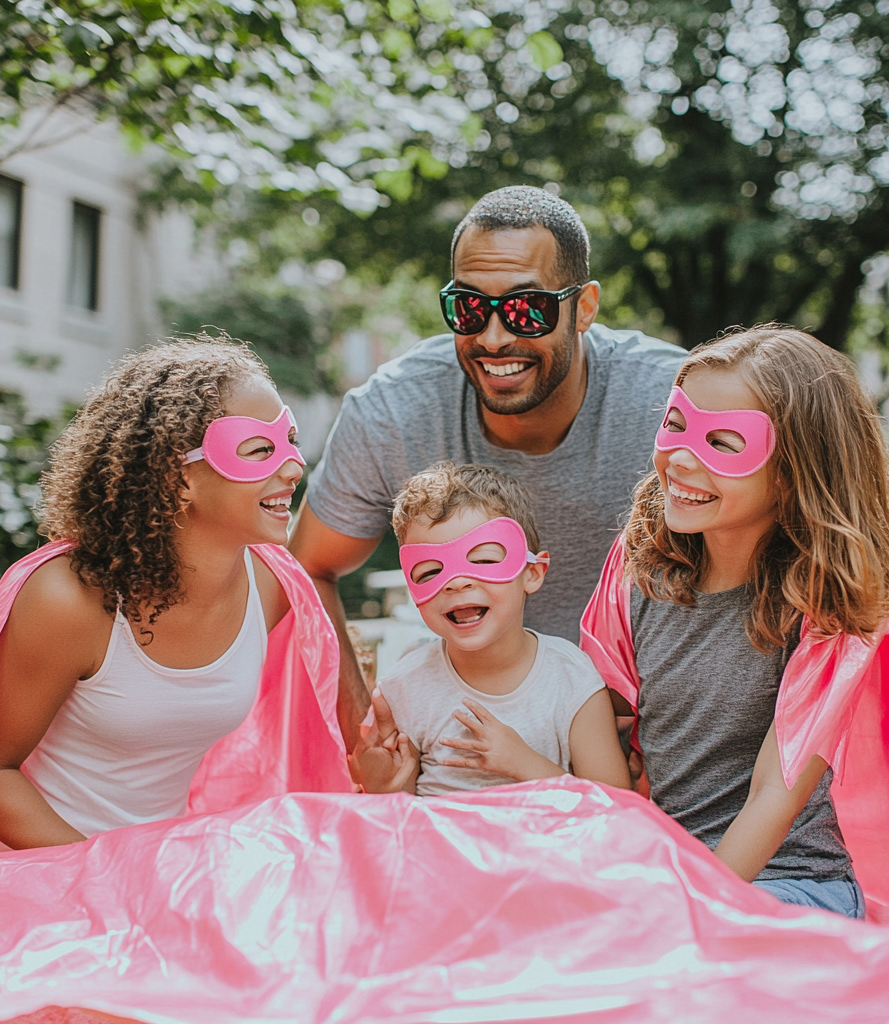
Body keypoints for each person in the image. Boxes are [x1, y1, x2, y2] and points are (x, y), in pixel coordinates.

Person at [0, 338, 350, 862]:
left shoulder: (273, 586)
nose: (294, 467)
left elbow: (297, 737)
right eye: (260, 450)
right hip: (34, 874)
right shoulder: (69, 600)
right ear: (177, 477)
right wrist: (108, 874)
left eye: (291, 441)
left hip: (158, 877)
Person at [290, 185, 687, 749]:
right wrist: (364, 738)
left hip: (647, 746)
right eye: (469, 308)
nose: (495, 338)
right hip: (466, 753)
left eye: (527, 310)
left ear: (585, 308)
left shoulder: (672, 404)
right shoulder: (392, 411)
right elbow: (306, 570)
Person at [581, 325, 889, 924]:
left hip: (787, 884)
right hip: (671, 871)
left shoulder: (831, 607)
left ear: (795, 471)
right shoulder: (641, 567)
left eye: (723, 441)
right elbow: (605, 731)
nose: (681, 457)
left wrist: (684, 909)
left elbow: (776, 792)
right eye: (677, 425)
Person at [355, 462, 631, 797]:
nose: (457, 583)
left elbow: (617, 808)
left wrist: (525, 764)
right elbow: (398, 818)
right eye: (429, 572)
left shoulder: (572, 679)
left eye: (484, 561)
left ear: (533, 572)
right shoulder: (407, 686)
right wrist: (381, 784)